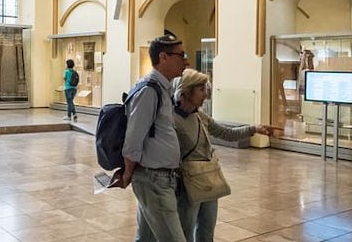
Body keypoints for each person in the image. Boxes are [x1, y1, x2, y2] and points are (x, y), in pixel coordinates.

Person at [173, 69, 277, 242]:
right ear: (186, 91)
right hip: (188, 184)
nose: (205, 95)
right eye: (201, 90)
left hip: (209, 178)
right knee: (186, 231)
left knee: (207, 230)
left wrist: (254, 129)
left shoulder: (200, 116)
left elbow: (226, 133)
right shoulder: (172, 120)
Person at [119, 34, 189, 242]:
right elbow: (133, 139)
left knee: (146, 239)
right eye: (181, 55)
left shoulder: (162, 89)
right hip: (153, 179)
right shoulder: (149, 91)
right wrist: (128, 172)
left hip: (159, 178)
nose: (186, 61)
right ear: (163, 58)